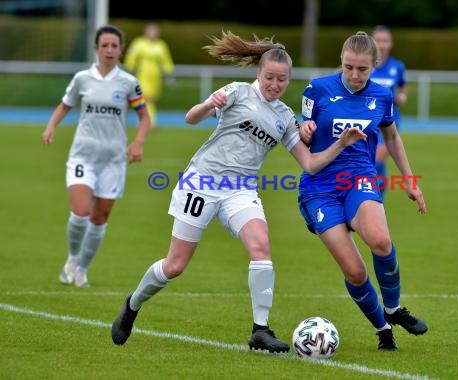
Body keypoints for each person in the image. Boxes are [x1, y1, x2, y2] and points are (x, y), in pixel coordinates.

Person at [110, 31, 366, 353]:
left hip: (240, 189)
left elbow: (311, 164)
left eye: (282, 80)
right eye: (270, 77)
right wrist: (208, 104)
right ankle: (132, 305)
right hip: (202, 181)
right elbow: (191, 119)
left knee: (261, 247)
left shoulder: (285, 117)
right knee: (175, 266)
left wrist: (342, 143)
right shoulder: (237, 92)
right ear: (259, 73)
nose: (275, 85)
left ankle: (260, 330)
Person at [297, 31, 427, 351]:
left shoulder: (381, 96)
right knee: (355, 272)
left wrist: (409, 179)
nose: (354, 75)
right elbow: (301, 135)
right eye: (348, 67)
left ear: (374, 66)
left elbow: (392, 138)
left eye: (362, 69)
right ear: (341, 62)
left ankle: (394, 309)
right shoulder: (317, 89)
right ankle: (383, 329)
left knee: (381, 240)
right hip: (320, 188)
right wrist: (304, 129)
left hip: (359, 178)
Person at [41, 25, 150, 288]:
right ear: (96, 48)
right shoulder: (82, 78)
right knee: (80, 212)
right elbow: (65, 104)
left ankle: (82, 270)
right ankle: (72, 259)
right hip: (83, 156)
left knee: (99, 218)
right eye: (105, 45)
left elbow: (144, 116)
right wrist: (51, 126)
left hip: (113, 160)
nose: (110, 50)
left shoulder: (128, 83)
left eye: (114, 45)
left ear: (120, 49)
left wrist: (138, 142)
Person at [370, 25, 408, 197]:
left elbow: (402, 86)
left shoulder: (397, 66)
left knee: (377, 159)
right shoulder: (365, 66)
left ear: (391, 44)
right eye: (378, 40)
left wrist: (402, 96)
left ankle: (377, 200)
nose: (382, 45)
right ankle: (371, 199)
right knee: (371, 164)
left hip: (389, 121)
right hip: (367, 121)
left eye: (385, 41)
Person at [124, 22, 174, 131]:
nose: (152, 33)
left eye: (155, 31)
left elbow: (166, 61)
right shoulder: (138, 43)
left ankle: (144, 121)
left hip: (156, 77)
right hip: (143, 74)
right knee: (146, 98)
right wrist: (130, 68)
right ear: (146, 32)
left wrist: (168, 73)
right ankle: (149, 122)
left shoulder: (161, 45)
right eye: (150, 31)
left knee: (151, 99)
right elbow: (131, 57)